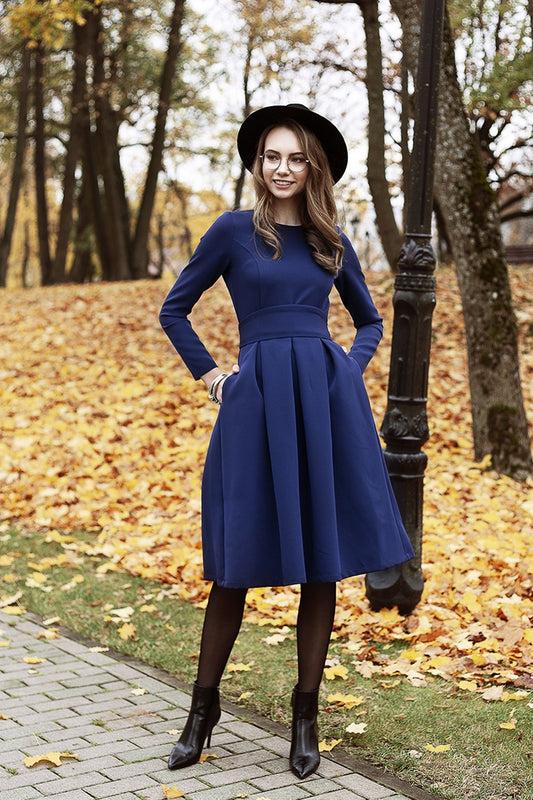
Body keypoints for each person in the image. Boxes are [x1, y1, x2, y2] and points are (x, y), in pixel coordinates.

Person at [159, 103, 415, 779]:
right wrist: (215, 379)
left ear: (313, 168)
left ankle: (305, 718)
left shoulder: (333, 241)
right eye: (270, 156)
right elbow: (173, 308)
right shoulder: (232, 232)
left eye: (294, 157)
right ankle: (200, 712)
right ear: (257, 164)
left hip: (324, 411)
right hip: (254, 405)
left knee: (321, 564)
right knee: (234, 564)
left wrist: (344, 374)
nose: (281, 168)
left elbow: (368, 321)